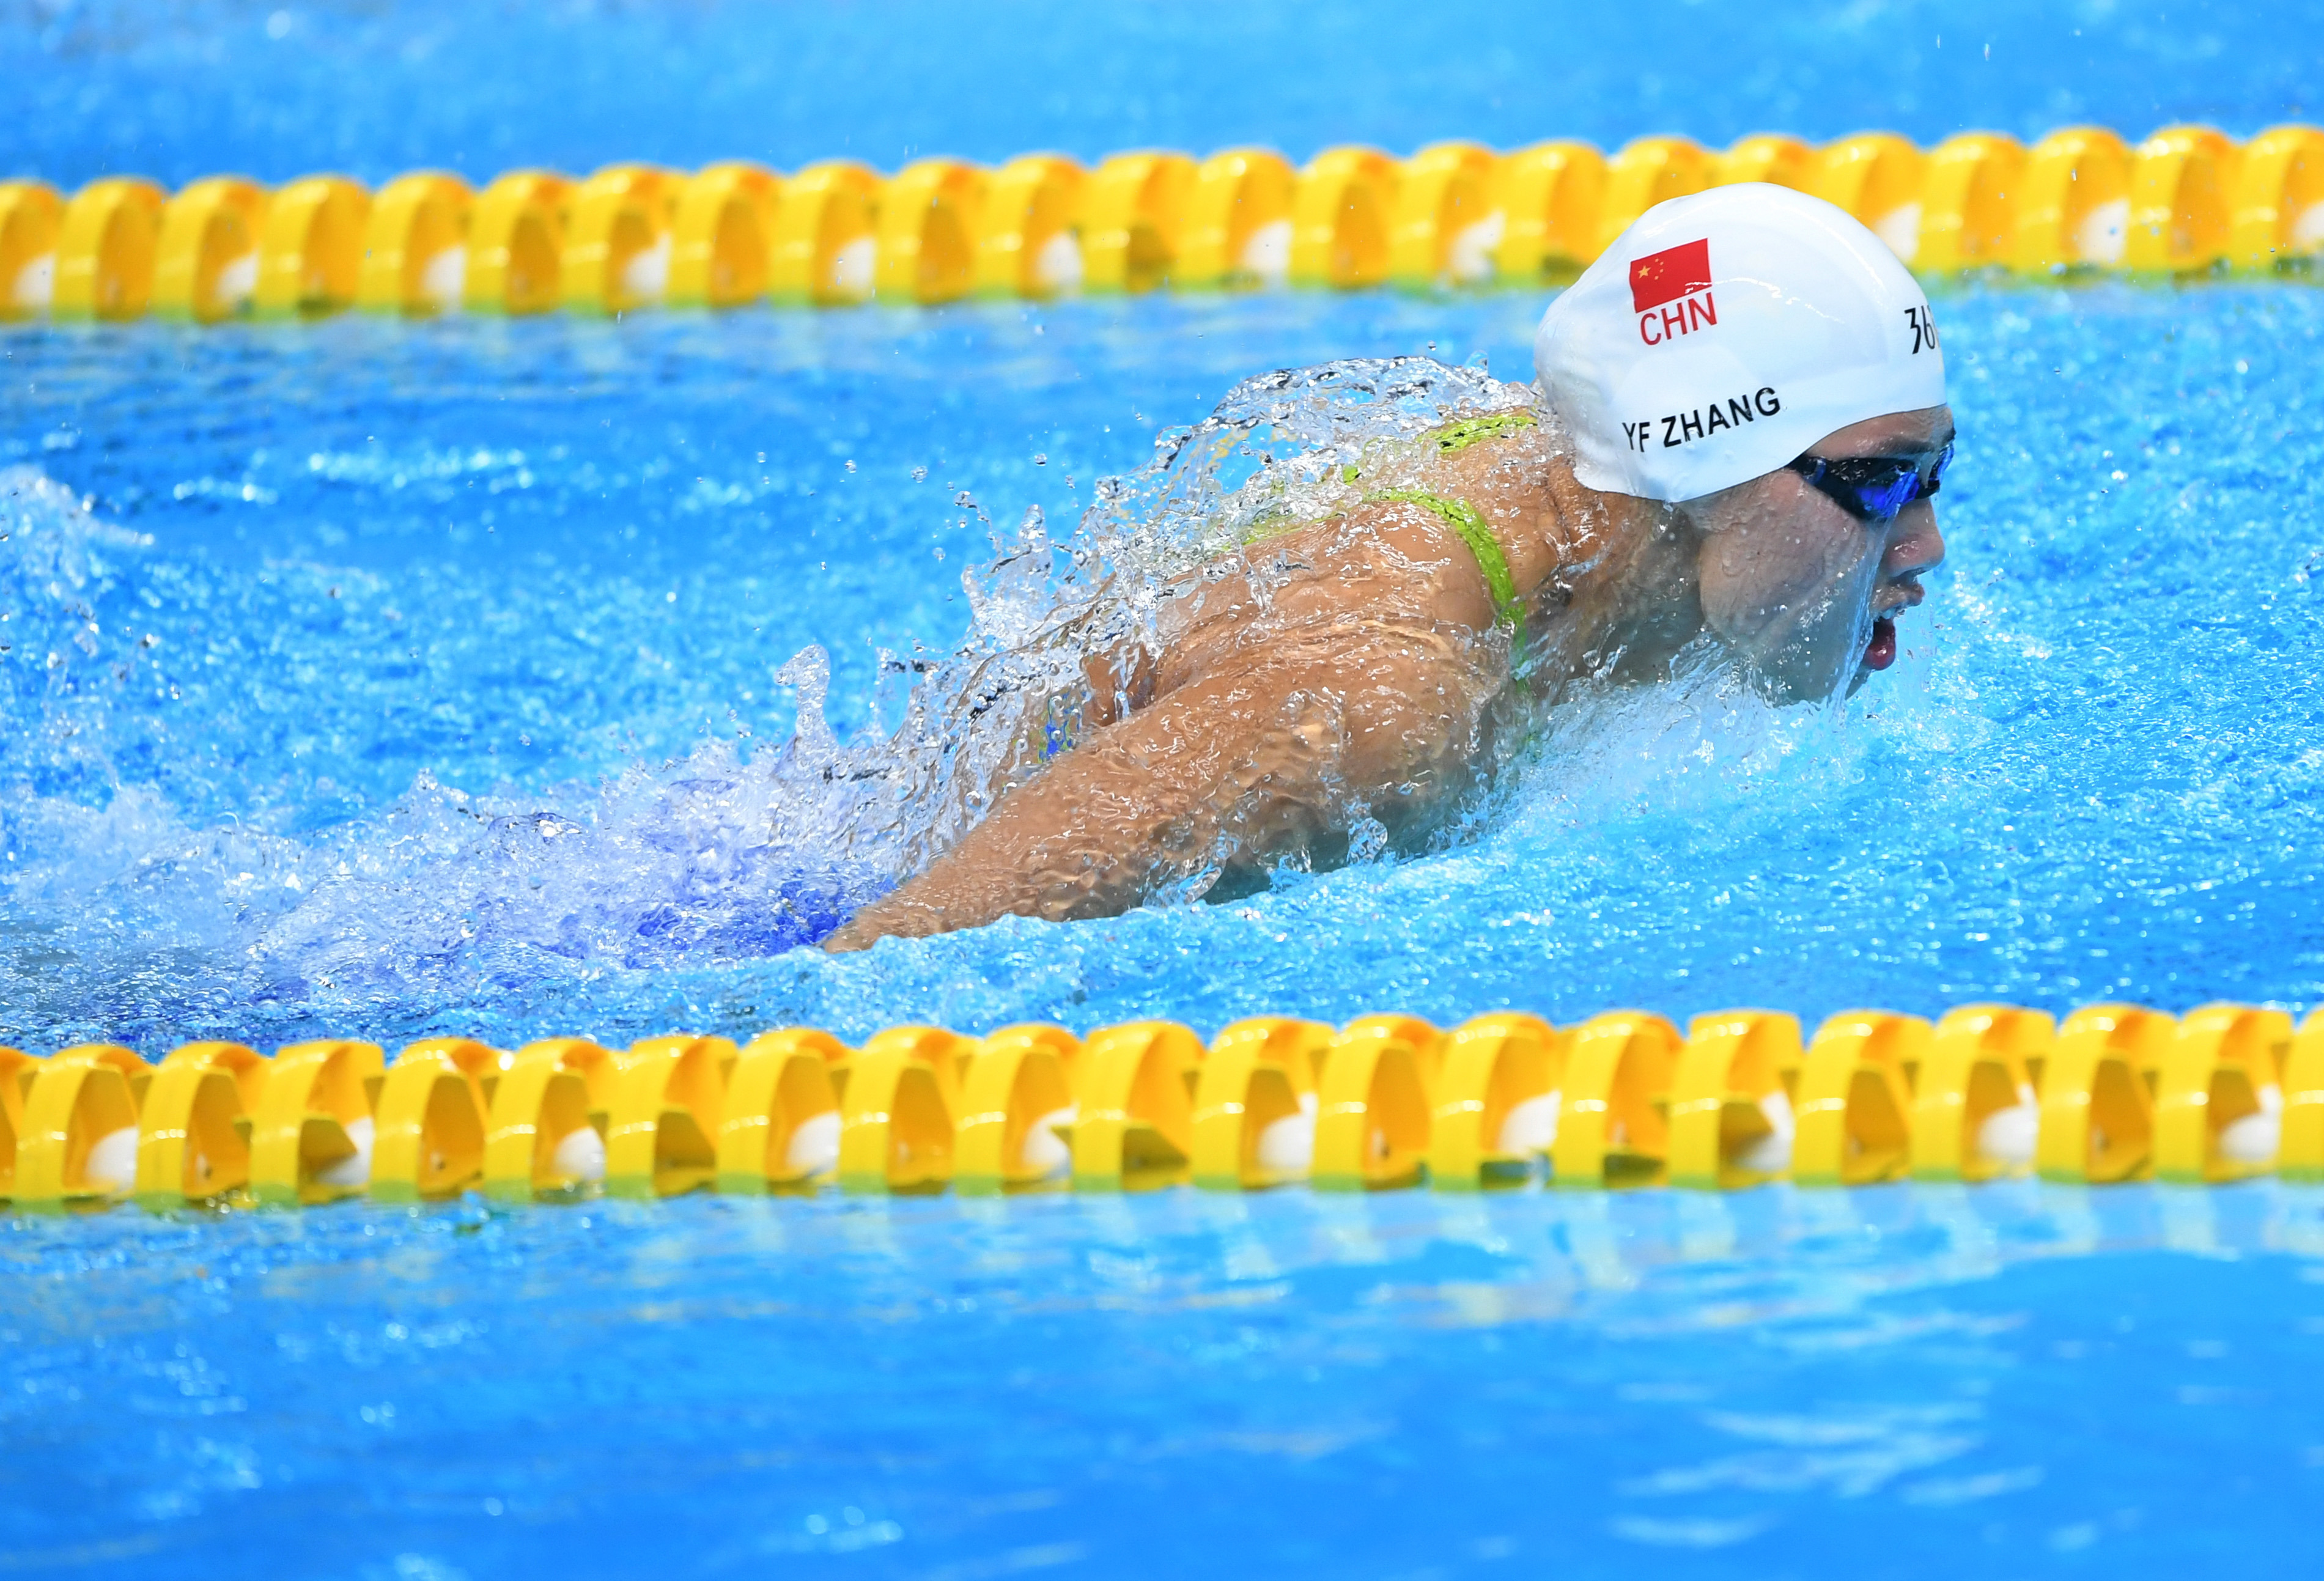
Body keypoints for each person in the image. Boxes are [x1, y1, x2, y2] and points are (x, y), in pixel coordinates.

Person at [824, 183, 1952, 952]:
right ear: (1706, 470)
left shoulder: (1589, 508)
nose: (1923, 548)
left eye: (1934, 477)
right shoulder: (1375, 708)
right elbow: (891, 958)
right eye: (1879, 485)